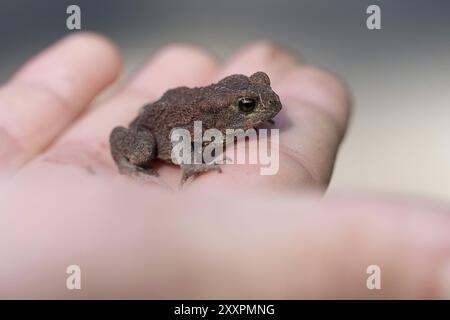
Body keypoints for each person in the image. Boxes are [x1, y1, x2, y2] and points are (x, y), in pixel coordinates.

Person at [0, 33, 448, 299]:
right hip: (152, 127)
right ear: (229, 110)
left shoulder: (227, 109)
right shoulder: (201, 121)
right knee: (139, 147)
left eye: (259, 95)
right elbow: (173, 144)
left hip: (186, 101)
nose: (264, 105)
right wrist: (187, 163)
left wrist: (254, 109)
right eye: (250, 105)